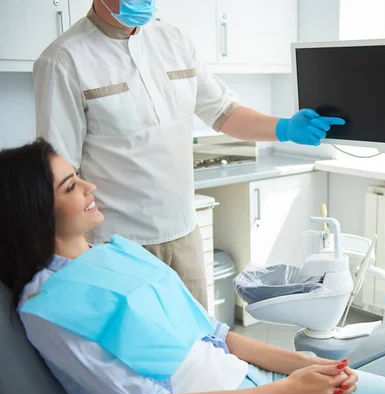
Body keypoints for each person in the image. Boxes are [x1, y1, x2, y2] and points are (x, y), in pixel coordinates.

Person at [0, 139, 385, 394]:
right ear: (37, 209)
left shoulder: (118, 250)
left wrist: (308, 364)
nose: (89, 186)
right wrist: (286, 393)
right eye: (70, 185)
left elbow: (217, 335)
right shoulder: (46, 309)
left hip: (258, 381)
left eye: (79, 174)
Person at [33, 0, 345, 308]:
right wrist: (73, 253)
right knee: (141, 349)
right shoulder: (63, 60)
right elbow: (59, 171)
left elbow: (223, 112)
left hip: (184, 232)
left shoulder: (175, 42)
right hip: (117, 244)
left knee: (200, 341)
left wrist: (284, 128)